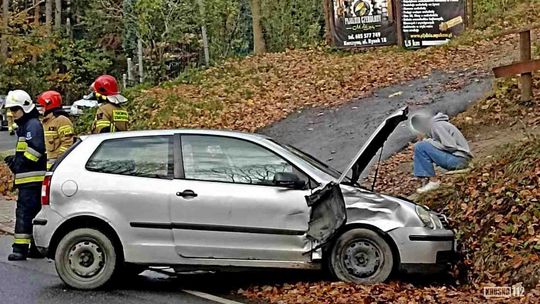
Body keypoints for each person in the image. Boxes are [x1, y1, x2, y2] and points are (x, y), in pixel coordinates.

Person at [3, 90, 46, 261]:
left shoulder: (32, 125)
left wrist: (19, 164)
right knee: (34, 215)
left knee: (24, 214)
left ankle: (19, 249)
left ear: (25, 107)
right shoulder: (27, 126)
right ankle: (35, 248)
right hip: (29, 179)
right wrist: (15, 159)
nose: (12, 114)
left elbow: (35, 150)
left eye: (15, 109)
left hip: (31, 180)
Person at [411, 111, 473, 193]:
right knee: (422, 147)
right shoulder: (436, 125)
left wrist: (429, 141)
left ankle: (433, 182)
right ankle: (426, 181)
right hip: (460, 159)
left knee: (420, 146)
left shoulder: (437, 125)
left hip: (459, 160)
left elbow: (450, 145)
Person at [37, 91, 75, 169]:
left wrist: (59, 160)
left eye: (42, 106)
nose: (41, 109)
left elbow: (68, 143)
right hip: (48, 164)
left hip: (58, 165)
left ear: (49, 105)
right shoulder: (46, 121)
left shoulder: (62, 120)